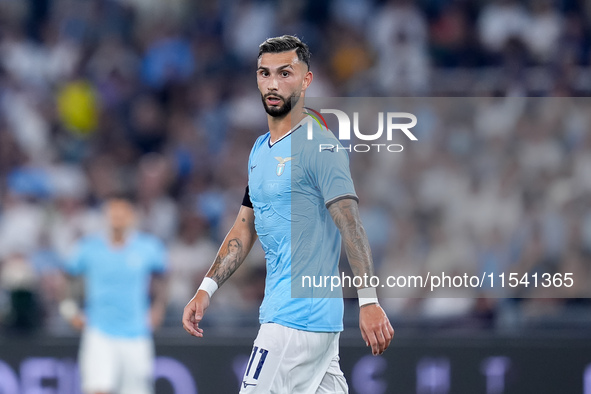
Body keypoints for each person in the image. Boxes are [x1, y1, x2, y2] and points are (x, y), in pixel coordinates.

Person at [182, 35, 394, 393]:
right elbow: (245, 225)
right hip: (313, 325)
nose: (273, 83)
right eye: (265, 74)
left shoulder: (320, 144)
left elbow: (350, 224)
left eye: (285, 73)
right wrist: (207, 288)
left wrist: (369, 300)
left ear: (306, 80)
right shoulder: (259, 149)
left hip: (295, 320)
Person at [61, 193, 168, 394]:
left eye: (122, 212)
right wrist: (69, 311)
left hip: (136, 333)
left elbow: (161, 279)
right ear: (106, 215)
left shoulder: (149, 248)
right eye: (113, 211)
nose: (117, 217)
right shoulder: (88, 248)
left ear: (132, 216)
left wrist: (158, 309)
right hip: (99, 332)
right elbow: (68, 278)